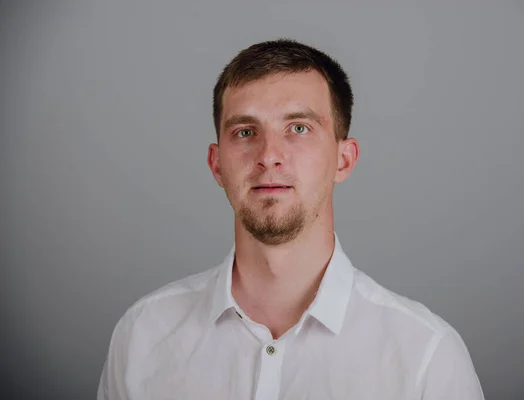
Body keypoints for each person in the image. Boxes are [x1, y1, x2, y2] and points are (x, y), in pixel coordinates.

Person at [97, 39, 484, 400]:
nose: (269, 155)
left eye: (299, 128)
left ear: (344, 159)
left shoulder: (426, 358)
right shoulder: (142, 336)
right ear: (217, 165)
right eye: (245, 131)